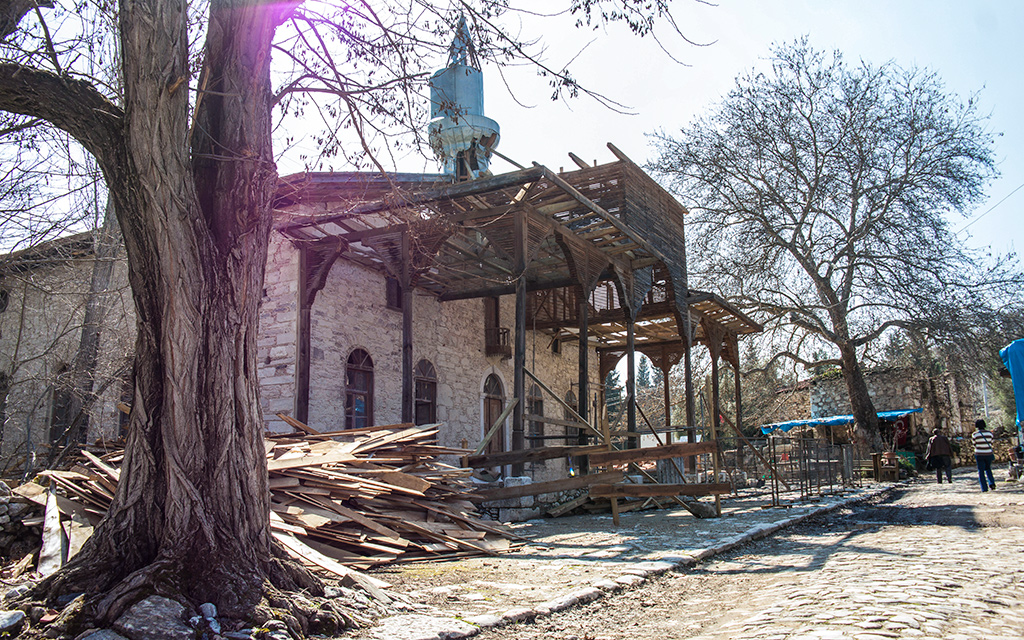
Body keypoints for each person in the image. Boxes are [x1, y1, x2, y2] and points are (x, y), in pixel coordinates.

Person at [972, 419, 996, 491]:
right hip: (988, 453)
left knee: (981, 470)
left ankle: (984, 488)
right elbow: (991, 443)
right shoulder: (989, 434)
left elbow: (974, 444)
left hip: (979, 454)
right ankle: (992, 483)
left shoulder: (975, 434)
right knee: (988, 468)